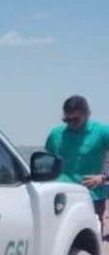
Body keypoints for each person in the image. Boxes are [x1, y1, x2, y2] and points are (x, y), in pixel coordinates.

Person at [45, 95, 109, 230]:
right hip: (59, 197)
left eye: (75, 119)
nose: (71, 124)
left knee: (88, 241)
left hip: (91, 198)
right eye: (67, 120)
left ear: (88, 114)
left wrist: (103, 178)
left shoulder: (102, 132)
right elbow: (46, 164)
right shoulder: (56, 134)